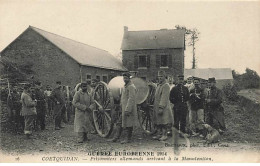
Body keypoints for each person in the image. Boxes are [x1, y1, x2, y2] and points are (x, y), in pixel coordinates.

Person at [153, 71, 173, 141]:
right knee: (159, 121)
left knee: (164, 121)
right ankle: (160, 134)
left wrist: (161, 107)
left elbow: (164, 97)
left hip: (164, 107)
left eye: (161, 77)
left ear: (164, 77)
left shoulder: (166, 85)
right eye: (159, 77)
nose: (160, 78)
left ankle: (165, 135)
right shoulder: (159, 85)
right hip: (157, 105)